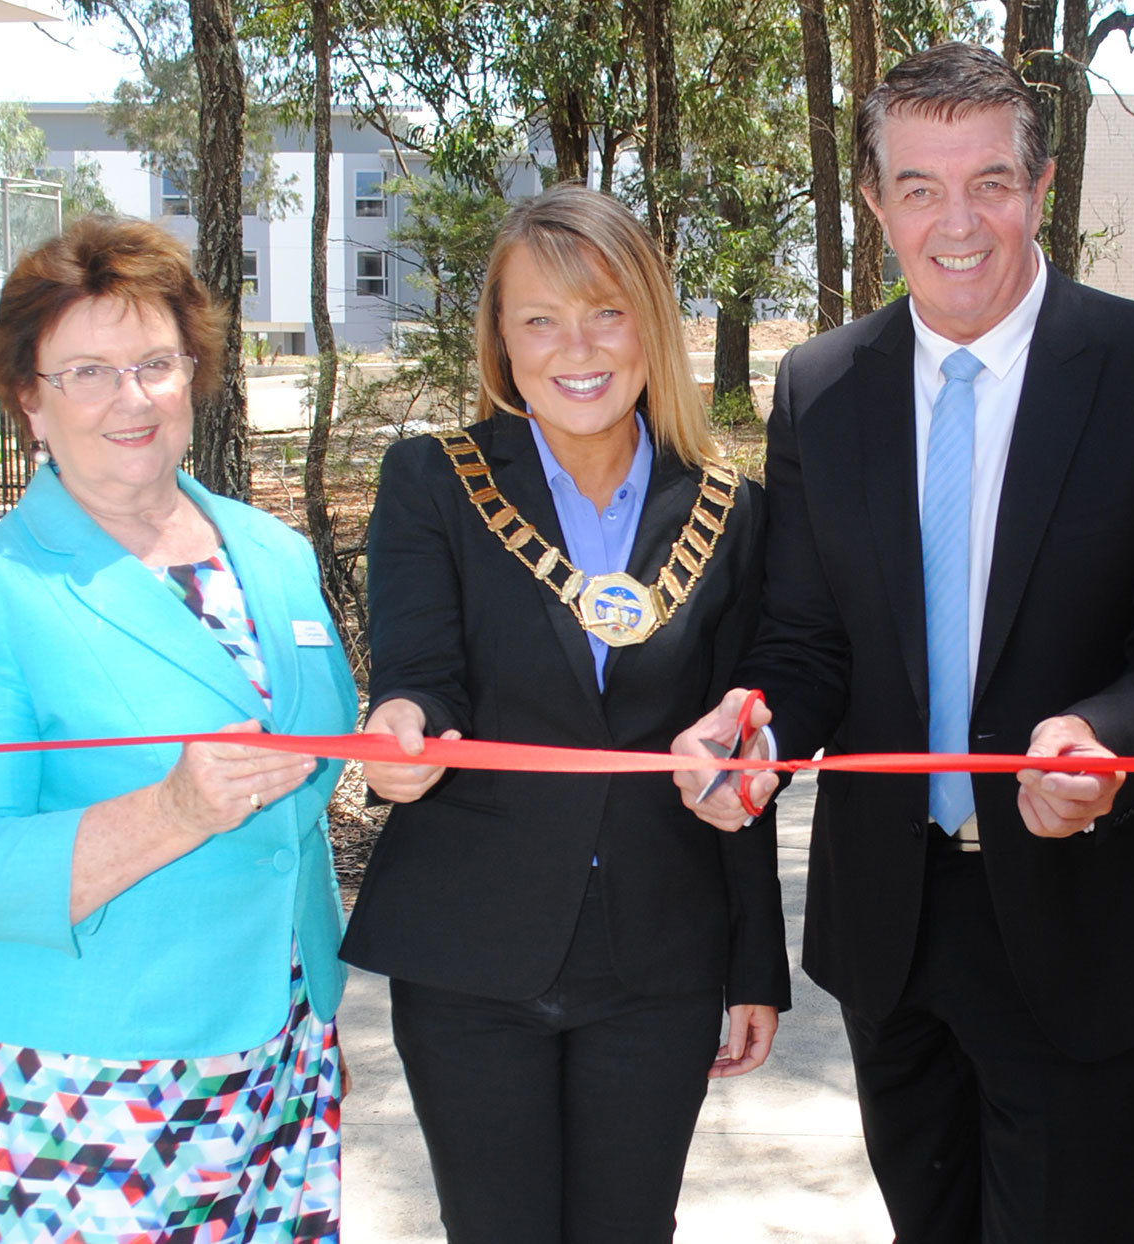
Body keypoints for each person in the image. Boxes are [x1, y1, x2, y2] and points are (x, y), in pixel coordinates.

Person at [673, 42, 1134, 1244]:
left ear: (1039, 191)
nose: (958, 221)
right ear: (877, 202)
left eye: (988, 181)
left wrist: (1111, 737)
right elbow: (806, 636)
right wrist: (757, 728)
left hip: (1083, 916)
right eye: (920, 187)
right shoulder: (823, 385)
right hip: (893, 923)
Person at [0, 216, 359, 1243]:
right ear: (30, 398)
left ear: (194, 372)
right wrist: (171, 810)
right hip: (75, 1080)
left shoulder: (272, 554)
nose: (131, 396)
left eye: (155, 361)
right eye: (89, 370)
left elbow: (311, 774)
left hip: (280, 1052)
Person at [340, 183, 788, 1244]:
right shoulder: (431, 482)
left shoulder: (729, 510)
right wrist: (398, 729)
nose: (573, 345)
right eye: (538, 316)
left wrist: (752, 964)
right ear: (500, 337)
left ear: (648, 323)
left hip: (659, 958)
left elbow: (740, 748)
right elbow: (419, 673)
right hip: (471, 951)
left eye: (604, 311)